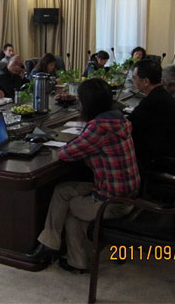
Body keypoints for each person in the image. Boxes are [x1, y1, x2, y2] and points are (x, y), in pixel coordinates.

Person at [28, 78, 140, 273]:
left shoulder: (99, 127)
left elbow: (65, 154)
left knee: (71, 207)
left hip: (113, 202)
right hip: (127, 192)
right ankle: (72, 260)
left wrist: (67, 142)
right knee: (62, 191)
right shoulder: (119, 120)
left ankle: (49, 246)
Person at [127, 59, 175, 170]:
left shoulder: (152, 101)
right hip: (166, 147)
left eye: (134, 77)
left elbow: (128, 124)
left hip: (152, 157)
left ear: (146, 81)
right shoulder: (162, 94)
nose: (133, 80)